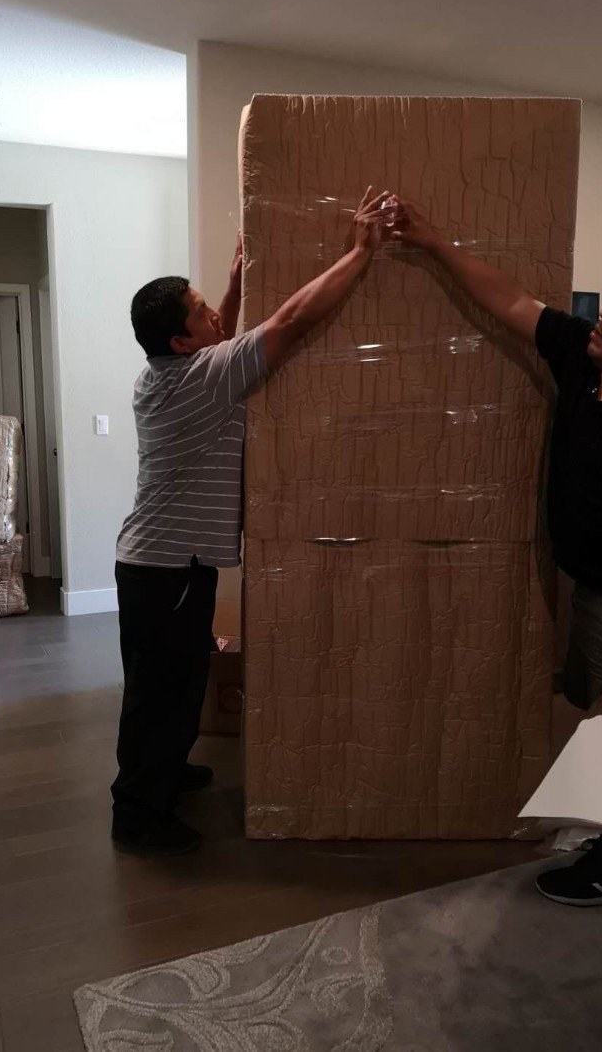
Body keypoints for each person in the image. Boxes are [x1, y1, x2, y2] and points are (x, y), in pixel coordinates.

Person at [393, 200, 602, 907]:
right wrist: (432, 242)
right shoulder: (583, 357)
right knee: (597, 708)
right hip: (592, 583)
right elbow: (511, 301)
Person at [112, 187, 398, 855]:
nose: (215, 315)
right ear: (181, 340)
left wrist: (234, 284)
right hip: (168, 569)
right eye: (201, 311)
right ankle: (137, 813)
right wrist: (361, 253)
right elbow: (291, 321)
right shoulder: (202, 377)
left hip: (160, 565)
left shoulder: (165, 372)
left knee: (176, 682)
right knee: (161, 693)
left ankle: (165, 772)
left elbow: (220, 341)